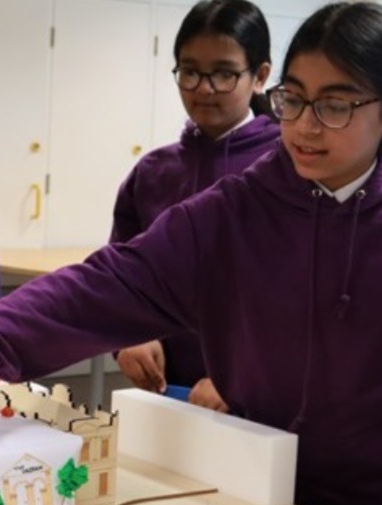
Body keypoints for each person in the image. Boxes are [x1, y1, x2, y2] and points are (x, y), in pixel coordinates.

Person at [0, 3, 382, 505]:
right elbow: (110, 282)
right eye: (294, 99)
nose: (306, 125)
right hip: (262, 491)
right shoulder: (233, 210)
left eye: (336, 105)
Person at [110, 0, 279, 410]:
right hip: (170, 395)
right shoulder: (153, 171)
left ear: (259, 76)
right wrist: (128, 336)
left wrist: (243, 378)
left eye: (223, 73)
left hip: (268, 403)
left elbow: (306, 305)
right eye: (189, 71)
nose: (204, 88)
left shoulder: (290, 168)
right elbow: (119, 279)